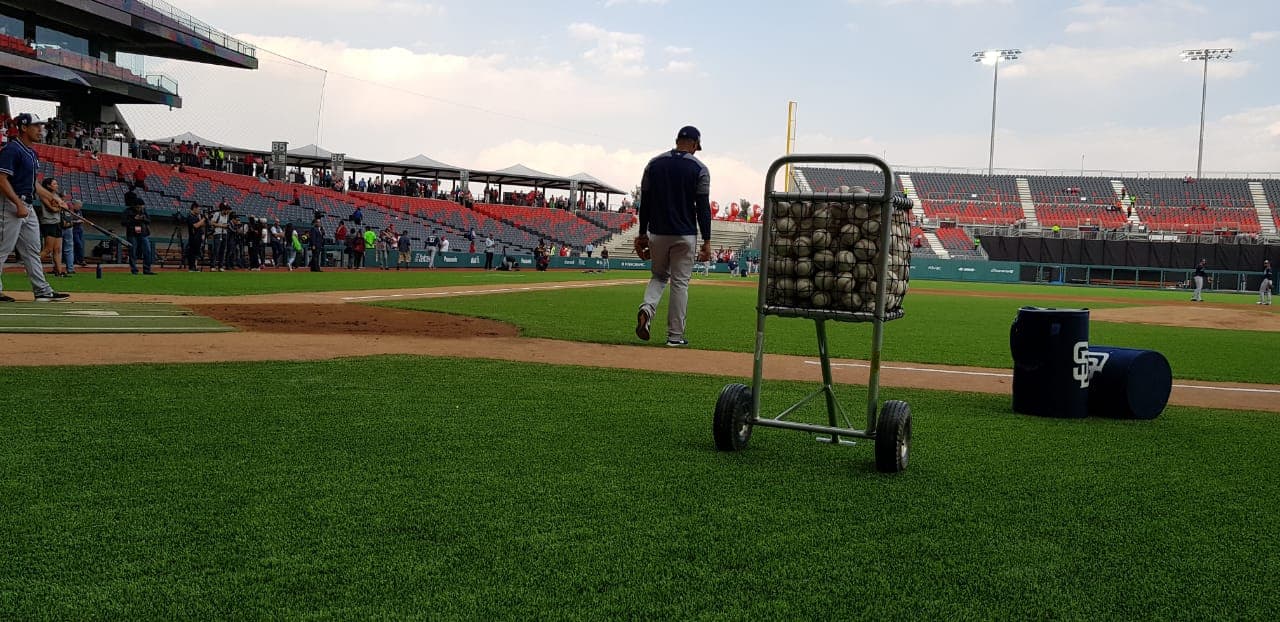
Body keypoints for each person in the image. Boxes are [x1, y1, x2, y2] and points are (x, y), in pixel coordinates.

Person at [634, 125, 713, 347]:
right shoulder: (700, 168)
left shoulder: (653, 164)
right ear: (695, 144)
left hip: (657, 232)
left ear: (676, 139)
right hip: (685, 234)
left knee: (659, 276)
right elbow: (703, 208)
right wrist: (707, 241)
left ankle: (647, 308)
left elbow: (645, 203)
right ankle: (675, 337)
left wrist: (642, 234)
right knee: (680, 284)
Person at [0, 114, 70, 302]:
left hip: (28, 205)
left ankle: (42, 290)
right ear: (24, 128)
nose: (41, 130)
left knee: (32, 250)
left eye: (41, 126)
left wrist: (52, 198)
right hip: (11, 205)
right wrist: (17, 203)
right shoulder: (12, 149)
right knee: (3, 248)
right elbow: (2, 180)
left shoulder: (31, 152)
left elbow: (34, 184)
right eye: (36, 126)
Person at [37, 178, 67, 277]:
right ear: (48, 186)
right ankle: (31, 265)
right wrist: (59, 207)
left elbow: (65, 206)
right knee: (48, 249)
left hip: (57, 223)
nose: (57, 185)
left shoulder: (56, 196)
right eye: (54, 184)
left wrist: (60, 206)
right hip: (48, 223)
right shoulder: (44, 195)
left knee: (57, 249)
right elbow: (52, 209)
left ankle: (59, 272)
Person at [121, 192, 156, 275]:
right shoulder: (127, 211)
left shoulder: (144, 211)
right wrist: (134, 219)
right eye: (139, 206)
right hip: (132, 234)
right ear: (135, 205)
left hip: (143, 234)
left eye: (141, 206)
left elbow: (149, 221)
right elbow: (123, 222)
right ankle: (134, 269)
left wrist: (143, 218)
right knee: (132, 252)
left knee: (147, 251)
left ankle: (147, 269)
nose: (140, 208)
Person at [61, 199, 84, 274]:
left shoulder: (79, 211)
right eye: (79, 206)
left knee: (71, 247)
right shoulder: (67, 206)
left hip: (74, 229)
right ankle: (58, 267)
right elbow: (66, 219)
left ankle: (72, 266)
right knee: (58, 248)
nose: (80, 207)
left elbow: (81, 219)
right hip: (67, 228)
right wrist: (76, 221)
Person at [183, 202, 206, 272]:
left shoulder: (197, 217)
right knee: (192, 253)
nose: (199, 211)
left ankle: (195, 266)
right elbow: (195, 225)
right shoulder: (190, 217)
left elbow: (202, 225)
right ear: (194, 208)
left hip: (198, 237)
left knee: (197, 253)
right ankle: (191, 267)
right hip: (193, 237)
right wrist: (203, 219)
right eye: (198, 209)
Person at [209, 203, 231, 271]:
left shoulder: (226, 216)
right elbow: (212, 223)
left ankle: (220, 266)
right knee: (216, 250)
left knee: (223, 250)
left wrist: (226, 226)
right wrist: (222, 226)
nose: (227, 211)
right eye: (226, 210)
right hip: (217, 233)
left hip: (224, 233)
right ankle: (213, 266)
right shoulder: (217, 214)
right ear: (223, 209)